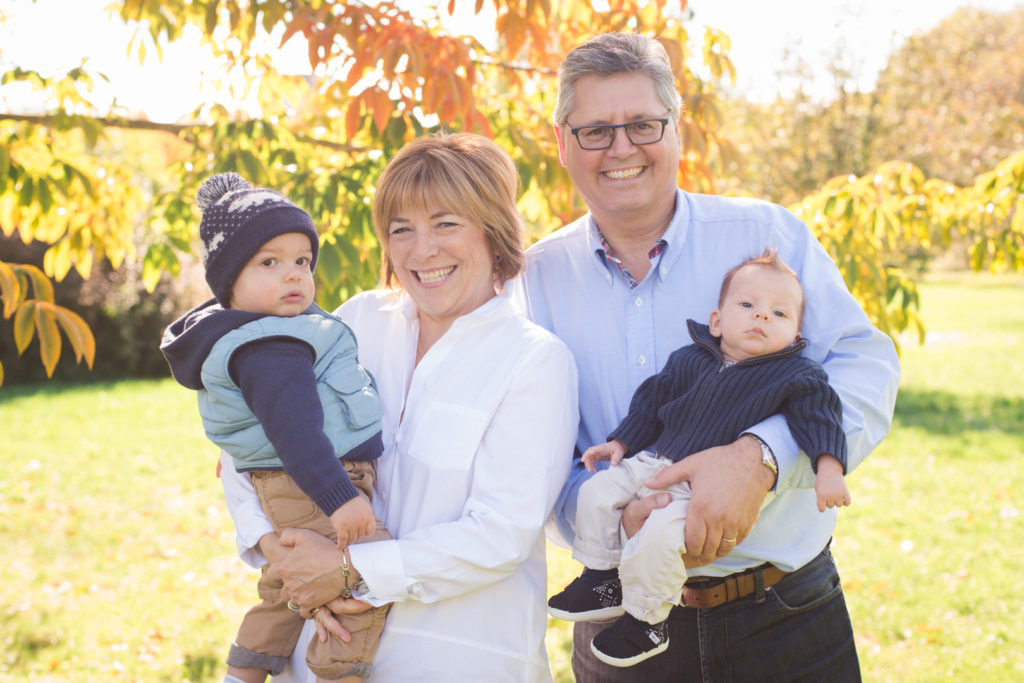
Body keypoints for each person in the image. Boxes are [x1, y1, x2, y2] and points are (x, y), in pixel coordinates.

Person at [516, 32, 900, 681]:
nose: (621, 148)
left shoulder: (766, 236)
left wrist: (762, 456)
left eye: (642, 124)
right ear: (562, 142)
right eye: (595, 131)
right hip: (617, 625)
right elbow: (530, 451)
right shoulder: (532, 280)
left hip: (784, 615)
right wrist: (602, 515)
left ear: (676, 129)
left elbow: (864, 364)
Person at [219, 133, 579, 682]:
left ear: (493, 229)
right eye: (400, 229)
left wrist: (348, 568)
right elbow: (248, 438)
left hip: (456, 660)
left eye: (446, 223)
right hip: (316, 655)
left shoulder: (534, 360)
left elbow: (498, 535)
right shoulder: (353, 324)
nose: (421, 250)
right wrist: (276, 549)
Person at [547, 248, 851, 667]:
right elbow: (651, 405)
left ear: (796, 337)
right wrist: (620, 443)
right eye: (748, 306)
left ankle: (647, 622)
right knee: (597, 491)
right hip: (654, 462)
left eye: (779, 314)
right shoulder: (690, 359)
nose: (762, 316)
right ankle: (601, 577)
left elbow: (821, 418)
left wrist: (829, 470)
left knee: (659, 536)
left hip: (698, 490)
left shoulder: (795, 377)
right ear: (717, 321)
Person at [161, 173, 392, 683]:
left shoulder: (258, 334)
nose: (293, 276)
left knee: (281, 590)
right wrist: (341, 497)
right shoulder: (271, 348)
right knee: (364, 575)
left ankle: (244, 671)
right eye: (270, 262)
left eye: (301, 262)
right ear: (230, 283)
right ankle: (342, 674)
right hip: (313, 483)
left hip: (285, 487)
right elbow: (297, 433)